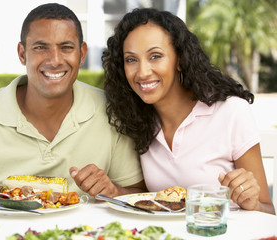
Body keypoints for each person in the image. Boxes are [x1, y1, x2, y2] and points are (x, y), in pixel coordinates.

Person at [0, 3, 146, 209]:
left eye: (66, 47)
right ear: (22, 53)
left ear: (82, 53)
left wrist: (115, 192)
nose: (55, 60)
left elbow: (138, 195)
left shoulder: (111, 112)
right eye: (40, 47)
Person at [102, 8, 275, 214]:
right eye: (131, 59)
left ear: (180, 60)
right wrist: (113, 190)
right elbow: (149, 199)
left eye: (155, 56)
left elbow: (268, 210)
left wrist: (252, 203)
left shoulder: (230, 112)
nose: (143, 72)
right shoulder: (137, 121)